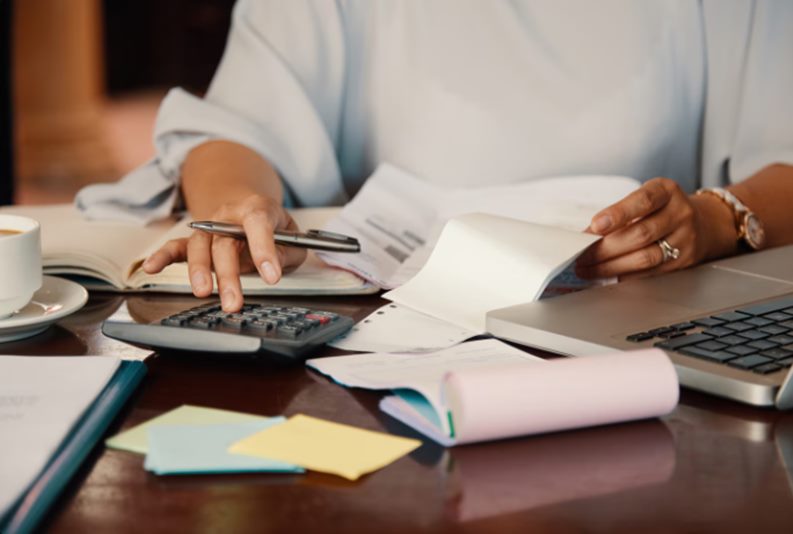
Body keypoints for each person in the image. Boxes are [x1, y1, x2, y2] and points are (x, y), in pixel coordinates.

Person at [76, 0, 793, 313]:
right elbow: (237, 128)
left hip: (639, 325)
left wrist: (714, 219)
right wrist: (239, 206)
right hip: (392, 325)